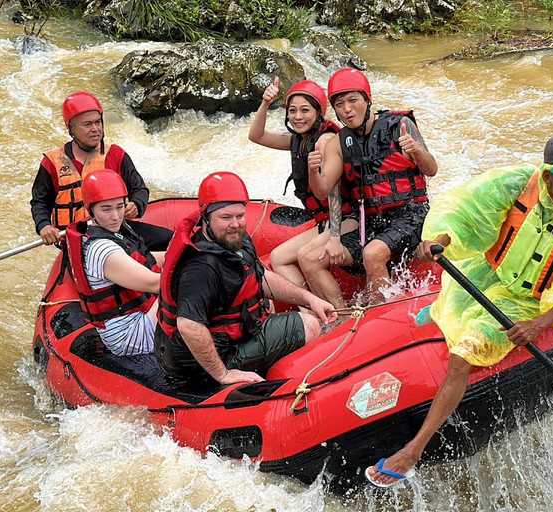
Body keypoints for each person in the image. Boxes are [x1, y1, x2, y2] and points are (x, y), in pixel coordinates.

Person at [365, 134, 553, 487]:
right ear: (548, 176)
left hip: (530, 301)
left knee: (462, 355)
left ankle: (412, 451)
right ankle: (441, 316)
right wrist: (442, 239)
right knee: (443, 312)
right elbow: (466, 209)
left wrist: (537, 323)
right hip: (488, 276)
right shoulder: (518, 183)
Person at [155, 172, 338, 388]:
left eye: (240, 216)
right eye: (225, 218)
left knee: (270, 305)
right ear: (205, 217)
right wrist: (223, 374)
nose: (235, 224)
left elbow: (261, 277)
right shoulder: (201, 268)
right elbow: (188, 325)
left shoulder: (233, 238)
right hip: (197, 364)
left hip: (224, 339)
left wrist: (310, 299)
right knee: (308, 325)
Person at [301, 68, 438, 308]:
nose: (347, 109)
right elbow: (322, 190)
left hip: (411, 216)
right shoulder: (339, 142)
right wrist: (313, 171)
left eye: (353, 100)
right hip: (372, 225)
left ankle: (382, 316)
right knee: (312, 259)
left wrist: (416, 150)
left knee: (372, 253)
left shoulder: (400, 125)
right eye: (340, 104)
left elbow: (431, 169)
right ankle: (343, 321)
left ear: (367, 100)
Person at [248, 77, 358, 295]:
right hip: (323, 221)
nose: (298, 117)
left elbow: (334, 192)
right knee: (279, 258)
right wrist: (266, 103)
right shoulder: (298, 139)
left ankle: (340, 313)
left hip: (347, 219)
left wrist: (334, 237)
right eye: (292, 111)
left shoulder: (326, 140)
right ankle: (311, 308)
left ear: (319, 113)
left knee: (306, 256)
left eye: (305, 110)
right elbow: (256, 136)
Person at [31, 91, 172, 250]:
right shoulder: (52, 162)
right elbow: (40, 202)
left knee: (170, 239)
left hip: (115, 230)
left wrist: (136, 204)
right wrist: (44, 226)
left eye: (98, 122)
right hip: (76, 239)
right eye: (87, 124)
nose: (95, 129)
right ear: (71, 127)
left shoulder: (116, 154)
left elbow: (139, 188)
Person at [65, 169, 164, 357]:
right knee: (190, 291)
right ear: (90, 209)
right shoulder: (102, 250)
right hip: (130, 335)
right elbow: (156, 283)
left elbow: (146, 258)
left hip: (140, 314)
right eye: (106, 209)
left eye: (120, 206)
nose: (116, 216)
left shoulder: (114, 230)